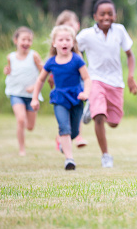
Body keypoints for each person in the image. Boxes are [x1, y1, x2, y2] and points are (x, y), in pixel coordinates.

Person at [76, 0, 137, 168]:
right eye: (102, 14)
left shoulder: (119, 30)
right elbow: (74, 48)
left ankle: (92, 108)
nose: (106, 17)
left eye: (110, 14)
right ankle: (105, 156)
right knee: (99, 118)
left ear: (115, 15)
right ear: (95, 16)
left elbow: (130, 54)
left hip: (116, 82)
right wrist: (80, 66)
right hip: (95, 79)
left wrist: (131, 76)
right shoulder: (87, 34)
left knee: (113, 122)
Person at [31, 25, 91, 170]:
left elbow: (87, 78)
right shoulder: (51, 62)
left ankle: (64, 143)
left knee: (74, 131)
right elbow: (40, 80)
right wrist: (34, 98)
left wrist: (86, 93)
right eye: (61, 40)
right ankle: (69, 159)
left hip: (76, 98)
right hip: (60, 99)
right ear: (54, 43)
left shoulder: (77, 60)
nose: (64, 42)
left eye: (67, 40)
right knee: (64, 127)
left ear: (73, 42)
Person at [49, 10, 88, 149]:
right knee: (65, 115)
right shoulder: (60, 47)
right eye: (64, 26)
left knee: (79, 105)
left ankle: (77, 134)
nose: (68, 30)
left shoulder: (78, 43)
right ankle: (65, 135)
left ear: (77, 26)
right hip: (63, 85)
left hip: (80, 80)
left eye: (71, 26)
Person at [4, 27, 43, 156]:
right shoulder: (11, 57)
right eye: (23, 39)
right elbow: (10, 70)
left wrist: (35, 87)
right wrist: (7, 71)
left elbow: (44, 72)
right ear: (16, 40)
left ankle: (25, 132)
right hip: (16, 93)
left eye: (29, 40)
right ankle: (22, 149)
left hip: (32, 95)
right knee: (20, 120)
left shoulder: (34, 55)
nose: (26, 42)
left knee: (30, 126)